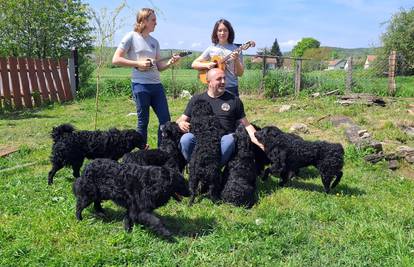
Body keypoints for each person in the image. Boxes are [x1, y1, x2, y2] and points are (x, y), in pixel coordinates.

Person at [112, 8, 181, 147]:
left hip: (157, 86)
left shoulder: (154, 41)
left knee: (165, 121)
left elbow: (159, 66)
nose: (156, 23)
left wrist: (170, 62)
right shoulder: (131, 36)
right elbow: (116, 59)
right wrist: (137, 63)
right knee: (143, 122)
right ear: (143, 21)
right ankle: (142, 154)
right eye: (153, 20)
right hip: (140, 85)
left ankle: (162, 151)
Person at [176, 68, 264, 166]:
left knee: (230, 139)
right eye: (219, 79)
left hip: (223, 142)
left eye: (224, 78)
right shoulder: (197, 99)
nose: (223, 82)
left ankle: (216, 168)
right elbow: (181, 119)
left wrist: (260, 142)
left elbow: (247, 125)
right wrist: (180, 123)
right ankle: (194, 167)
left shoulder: (234, 100)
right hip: (200, 141)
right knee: (186, 139)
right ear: (208, 82)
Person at [191, 19, 244, 97]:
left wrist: (236, 59)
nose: (222, 33)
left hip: (231, 88)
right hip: (214, 88)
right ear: (216, 32)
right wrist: (207, 65)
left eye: (225, 30)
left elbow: (240, 73)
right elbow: (194, 64)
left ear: (229, 32)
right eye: (220, 30)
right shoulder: (211, 49)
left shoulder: (236, 49)